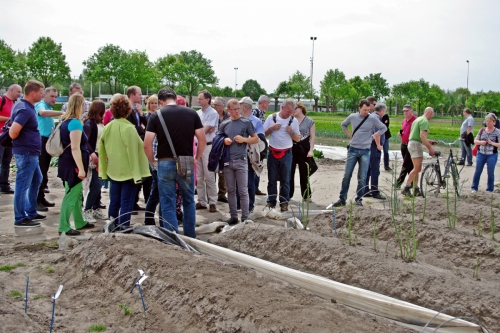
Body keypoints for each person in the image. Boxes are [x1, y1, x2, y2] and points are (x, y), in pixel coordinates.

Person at [144, 87, 206, 238]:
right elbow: (202, 139)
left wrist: (153, 162)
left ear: (160, 101)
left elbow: (146, 144)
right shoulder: (191, 113)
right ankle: (190, 236)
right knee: (189, 200)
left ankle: (173, 237)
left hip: (164, 163)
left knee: (167, 202)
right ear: (174, 97)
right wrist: (196, 158)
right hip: (187, 161)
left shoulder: (156, 115)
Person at [99, 94, 150, 228]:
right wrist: (137, 175)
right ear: (128, 110)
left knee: (114, 202)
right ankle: (123, 228)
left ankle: (111, 226)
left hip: (113, 171)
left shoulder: (108, 127)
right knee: (126, 202)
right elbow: (133, 153)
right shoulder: (129, 129)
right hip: (129, 173)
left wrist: (103, 171)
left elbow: (102, 149)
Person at [332, 99, 386, 207]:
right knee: (347, 175)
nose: (367, 112)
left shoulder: (372, 118)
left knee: (362, 177)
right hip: (353, 149)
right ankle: (342, 199)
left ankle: (359, 199)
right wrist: (349, 134)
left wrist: (374, 135)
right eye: (365, 110)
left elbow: (383, 128)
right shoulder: (353, 117)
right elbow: (343, 125)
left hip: (366, 151)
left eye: (368, 110)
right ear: (359, 108)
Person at [9, 80, 46, 227]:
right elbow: (13, 132)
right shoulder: (24, 109)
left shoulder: (23, 106)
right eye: (40, 93)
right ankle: (20, 217)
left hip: (29, 153)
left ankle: (31, 211)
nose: (42, 95)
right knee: (22, 184)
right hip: (26, 153)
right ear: (32, 93)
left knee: (37, 179)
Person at [58, 94, 95, 236]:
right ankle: (64, 226)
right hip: (72, 164)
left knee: (77, 193)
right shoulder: (75, 123)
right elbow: (75, 147)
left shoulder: (65, 121)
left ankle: (79, 221)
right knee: (72, 195)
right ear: (80, 106)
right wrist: (80, 168)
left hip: (67, 162)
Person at [218, 98, 258, 224]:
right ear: (228, 110)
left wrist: (244, 140)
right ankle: (234, 216)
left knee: (243, 190)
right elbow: (218, 139)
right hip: (228, 161)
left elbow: (256, 139)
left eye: (238, 109)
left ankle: (245, 217)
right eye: (234, 109)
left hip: (241, 160)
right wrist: (224, 141)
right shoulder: (224, 124)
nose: (236, 112)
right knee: (230, 190)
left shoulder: (246, 123)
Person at [263, 98, 300, 212]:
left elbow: (298, 139)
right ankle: (271, 201)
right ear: (282, 107)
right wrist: (271, 128)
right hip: (272, 152)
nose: (289, 114)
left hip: (286, 153)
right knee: (272, 179)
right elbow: (263, 134)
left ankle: (284, 202)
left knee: (286, 180)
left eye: (291, 112)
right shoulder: (271, 118)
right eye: (288, 111)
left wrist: (291, 132)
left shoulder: (293, 121)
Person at [35, 87, 61, 211]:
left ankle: (41, 197)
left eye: (55, 97)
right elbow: (42, 113)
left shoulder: (49, 108)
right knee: (40, 170)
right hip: (41, 140)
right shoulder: (41, 105)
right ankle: (36, 200)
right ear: (44, 95)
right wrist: (61, 113)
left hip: (47, 141)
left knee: (44, 171)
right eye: (52, 96)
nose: (54, 99)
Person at [402, 107, 437, 198]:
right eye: (432, 114)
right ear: (429, 112)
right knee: (417, 169)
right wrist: (430, 148)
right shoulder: (424, 121)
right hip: (416, 145)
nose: (432, 116)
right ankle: (406, 188)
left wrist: (429, 141)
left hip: (411, 143)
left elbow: (416, 135)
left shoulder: (417, 120)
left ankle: (416, 188)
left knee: (416, 168)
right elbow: (422, 136)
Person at [238, 96, 265, 212]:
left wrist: (245, 139)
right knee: (237, 182)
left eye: (239, 105)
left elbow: (260, 139)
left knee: (249, 182)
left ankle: (250, 206)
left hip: (250, 156)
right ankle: (239, 205)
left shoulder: (257, 121)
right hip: (237, 154)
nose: (237, 108)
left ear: (245, 107)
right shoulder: (235, 119)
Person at [82, 100, 107, 222]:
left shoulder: (99, 123)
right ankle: (88, 210)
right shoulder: (89, 123)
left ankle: (96, 208)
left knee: (99, 184)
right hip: (94, 155)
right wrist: (92, 153)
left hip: (101, 155)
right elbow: (85, 141)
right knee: (96, 184)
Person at [125, 86, 148, 212]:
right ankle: (130, 203)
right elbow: (131, 127)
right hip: (132, 145)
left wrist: (141, 114)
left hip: (139, 143)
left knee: (139, 176)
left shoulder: (137, 109)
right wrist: (142, 131)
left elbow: (147, 123)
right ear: (132, 95)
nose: (141, 96)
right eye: (139, 94)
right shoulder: (127, 109)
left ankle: (134, 202)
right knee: (132, 176)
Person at [195, 89, 218, 212]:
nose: (198, 100)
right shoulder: (198, 113)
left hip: (208, 146)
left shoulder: (212, 113)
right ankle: (202, 201)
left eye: (200, 99)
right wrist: (201, 130)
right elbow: (200, 130)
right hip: (198, 145)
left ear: (207, 99)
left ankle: (213, 201)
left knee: (209, 175)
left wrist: (202, 130)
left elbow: (204, 129)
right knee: (199, 176)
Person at [290, 101, 316, 200]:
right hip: (292, 147)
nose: (293, 110)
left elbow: (313, 137)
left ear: (301, 108)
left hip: (304, 148)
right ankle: (288, 194)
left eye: (295, 108)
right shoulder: (291, 120)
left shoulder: (310, 121)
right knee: (289, 172)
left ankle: (306, 195)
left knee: (304, 172)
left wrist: (311, 150)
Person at [0, 84, 22, 194]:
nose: (19, 94)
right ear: (11, 89)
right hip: (1, 136)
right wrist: (11, 118)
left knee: (6, 161)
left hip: (9, 136)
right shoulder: (1, 100)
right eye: (18, 92)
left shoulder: (14, 103)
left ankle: (4, 184)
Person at [471, 113, 500, 193]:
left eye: (490, 121)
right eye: (487, 121)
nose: (488, 123)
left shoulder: (497, 132)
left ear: (494, 122)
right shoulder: (482, 130)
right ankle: (474, 187)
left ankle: (490, 189)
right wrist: (481, 142)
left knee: (490, 172)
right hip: (481, 153)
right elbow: (475, 141)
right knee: (477, 171)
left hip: (492, 155)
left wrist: (492, 143)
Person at [364, 103, 386, 200]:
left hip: (367, 145)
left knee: (368, 169)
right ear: (381, 110)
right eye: (384, 112)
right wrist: (378, 145)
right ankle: (374, 191)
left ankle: (365, 190)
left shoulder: (370, 116)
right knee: (374, 170)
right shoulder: (377, 118)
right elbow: (377, 133)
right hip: (373, 146)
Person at [252, 95, 270, 196]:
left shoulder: (262, 113)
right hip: (255, 143)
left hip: (260, 143)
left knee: (259, 165)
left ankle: (256, 187)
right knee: (256, 164)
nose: (269, 105)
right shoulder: (256, 112)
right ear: (264, 102)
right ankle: (253, 187)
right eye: (268, 103)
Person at [212, 96, 229, 203]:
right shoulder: (211, 116)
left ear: (222, 107)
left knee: (223, 171)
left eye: (216, 105)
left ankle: (222, 194)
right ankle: (212, 194)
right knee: (211, 170)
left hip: (224, 147)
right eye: (213, 105)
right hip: (213, 146)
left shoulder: (228, 117)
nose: (214, 107)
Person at [396, 105, 417, 188]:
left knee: (405, 164)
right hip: (403, 144)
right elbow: (403, 130)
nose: (405, 112)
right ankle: (412, 183)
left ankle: (399, 182)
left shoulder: (415, 120)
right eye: (404, 111)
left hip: (411, 144)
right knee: (409, 165)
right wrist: (400, 133)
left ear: (412, 111)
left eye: (407, 111)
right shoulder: (404, 121)